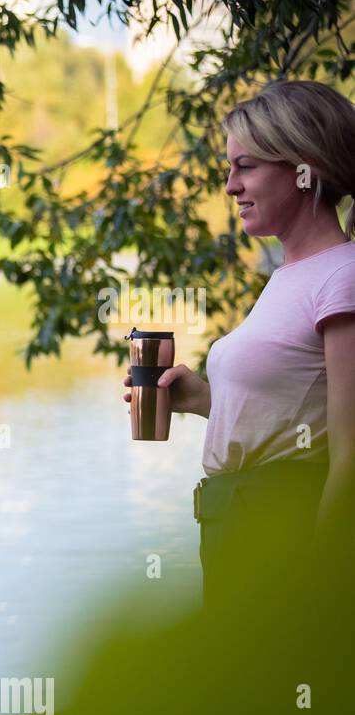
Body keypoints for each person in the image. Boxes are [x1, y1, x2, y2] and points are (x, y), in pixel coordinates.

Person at [123, 80, 355, 610]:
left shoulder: (342, 277)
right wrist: (203, 399)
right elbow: (295, 416)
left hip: (284, 533)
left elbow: (350, 452)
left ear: (304, 168)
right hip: (236, 527)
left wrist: (322, 581)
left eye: (246, 166)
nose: (230, 186)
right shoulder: (290, 276)